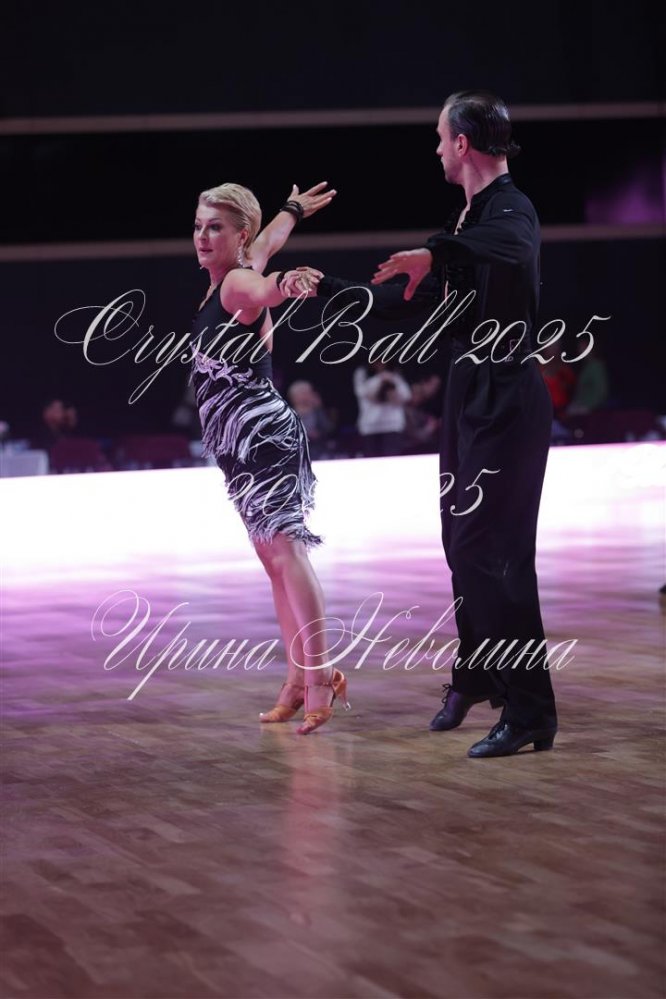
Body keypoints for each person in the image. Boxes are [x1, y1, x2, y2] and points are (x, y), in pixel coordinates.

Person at [314, 91, 558, 758]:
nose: (437, 149)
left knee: (493, 553)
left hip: (507, 397)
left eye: (441, 137)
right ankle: (477, 675)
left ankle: (532, 710)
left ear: (464, 144)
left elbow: (514, 248)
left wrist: (436, 250)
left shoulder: (509, 209)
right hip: (469, 393)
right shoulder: (469, 218)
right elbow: (411, 299)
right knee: (462, 544)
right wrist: (332, 291)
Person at [189, 181, 350, 734]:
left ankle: (319, 677)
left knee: (287, 556)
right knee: (274, 563)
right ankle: (297, 679)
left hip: (262, 439)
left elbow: (265, 285)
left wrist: (289, 282)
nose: (203, 236)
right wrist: (292, 210)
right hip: (242, 447)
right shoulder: (229, 276)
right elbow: (269, 245)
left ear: (239, 237)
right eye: (198, 226)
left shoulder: (239, 283)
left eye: (215, 227)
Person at [353, 360, 412, 457]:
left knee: (391, 460)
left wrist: (391, 384)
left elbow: (406, 396)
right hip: (370, 426)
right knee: (371, 460)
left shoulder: (394, 375)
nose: (380, 364)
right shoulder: (362, 373)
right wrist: (380, 379)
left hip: (392, 425)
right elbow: (365, 394)